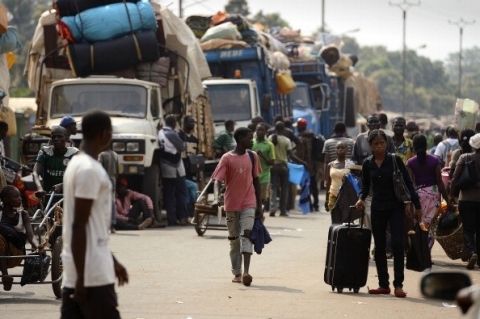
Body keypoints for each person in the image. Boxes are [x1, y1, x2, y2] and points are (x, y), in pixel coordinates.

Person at [61, 110, 128, 318]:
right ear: (103, 134)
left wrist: (113, 261)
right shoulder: (89, 170)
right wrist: (83, 278)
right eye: (111, 131)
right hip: (92, 276)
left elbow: (91, 226)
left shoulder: (77, 164)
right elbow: (79, 225)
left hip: (79, 271)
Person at [355, 129, 421, 298]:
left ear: (386, 144)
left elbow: (407, 183)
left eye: (382, 143)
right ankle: (383, 284)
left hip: (396, 207)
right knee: (379, 247)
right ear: (370, 145)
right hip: (377, 207)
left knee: (398, 244)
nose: (379, 147)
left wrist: (415, 205)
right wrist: (361, 199)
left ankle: (398, 284)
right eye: (376, 144)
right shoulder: (368, 163)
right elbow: (365, 186)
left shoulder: (395, 160)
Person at [211, 127, 262, 286]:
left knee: (246, 235)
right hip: (231, 204)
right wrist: (216, 197)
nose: (252, 140)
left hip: (249, 202)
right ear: (240, 139)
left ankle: (246, 272)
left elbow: (256, 181)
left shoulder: (253, 157)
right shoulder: (227, 158)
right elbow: (217, 180)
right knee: (234, 240)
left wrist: (259, 204)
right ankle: (237, 272)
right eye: (249, 137)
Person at [406, 134, 450, 249]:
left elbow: (410, 183)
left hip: (418, 196)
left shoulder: (410, 162)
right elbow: (440, 182)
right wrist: (447, 199)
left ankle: (419, 251)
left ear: (414, 147)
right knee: (430, 225)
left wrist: (409, 202)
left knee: (418, 223)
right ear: (426, 145)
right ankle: (426, 252)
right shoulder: (435, 160)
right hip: (434, 195)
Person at [352, 114, 395, 229]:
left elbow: (393, 160)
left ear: (380, 124)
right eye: (371, 123)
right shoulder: (360, 139)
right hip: (367, 187)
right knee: (367, 217)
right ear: (367, 125)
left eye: (376, 122)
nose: (373, 125)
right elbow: (354, 160)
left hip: (385, 187)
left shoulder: (388, 139)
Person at [449, 133, 480, 270]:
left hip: (466, 199)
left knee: (468, 229)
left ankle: (472, 252)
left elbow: (455, 178)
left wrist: (450, 195)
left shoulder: (464, 157)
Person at [0, 186, 38, 291]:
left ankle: (5, 276)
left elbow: (31, 236)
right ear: (6, 200)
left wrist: (38, 246)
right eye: (16, 197)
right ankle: (5, 277)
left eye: (19, 196)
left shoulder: (23, 214)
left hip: (15, 255)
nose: (20, 199)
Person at [268, 121, 307, 217]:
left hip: (273, 166)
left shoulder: (270, 138)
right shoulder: (286, 140)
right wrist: (302, 162)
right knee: (284, 189)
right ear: (283, 129)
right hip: (284, 166)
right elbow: (292, 156)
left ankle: (272, 208)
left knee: (273, 188)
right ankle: (283, 210)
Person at [158, 115, 189, 226]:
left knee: (169, 194)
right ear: (173, 123)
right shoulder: (172, 134)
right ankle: (183, 217)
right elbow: (182, 148)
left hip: (165, 165)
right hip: (175, 166)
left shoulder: (160, 132)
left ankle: (171, 219)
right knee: (181, 193)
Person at [33, 126, 79, 197]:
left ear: (67, 138)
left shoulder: (74, 153)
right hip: (48, 195)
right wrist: (39, 188)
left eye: (60, 136)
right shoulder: (45, 151)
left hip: (68, 196)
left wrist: (62, 186)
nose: (56, 139)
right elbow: (35, 172)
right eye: (53, 137)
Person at [294, 118, 320, 212]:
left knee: (305, 186)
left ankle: (309, 205)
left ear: (299, 127)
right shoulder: (312, 137)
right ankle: (316, 204)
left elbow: (300, 154)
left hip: (304, 166)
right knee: (314, 185)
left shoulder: (300, 139)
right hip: (314, 165)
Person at [252, 123, 275, 214]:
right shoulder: (251, 142)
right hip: (253, 175)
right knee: (252, 198)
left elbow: (272, 162)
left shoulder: (269, 145)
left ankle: (260, 216)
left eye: (262, 130)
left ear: (265, 132)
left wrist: (263, 156)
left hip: (264, 175)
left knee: (262, 199)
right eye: (258, 130)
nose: (260, 132)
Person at [98, 145, 119, 233]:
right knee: (112, 202)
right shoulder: (115, 155)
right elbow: (117, 171)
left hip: (104, 180)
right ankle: (112, 225)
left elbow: (99, 169)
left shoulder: (102, 155)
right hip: (112, 181)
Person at [325, 141, 350, 212]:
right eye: (338, 148)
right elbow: (328, 183)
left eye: (342, 148)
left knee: (345, 218)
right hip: (333, 195)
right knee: (334, 218)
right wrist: (326, 199)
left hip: (346, 196)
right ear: (335, 150)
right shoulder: (331, 165)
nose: (340, 149)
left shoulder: (350, 164)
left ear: (346, 149)